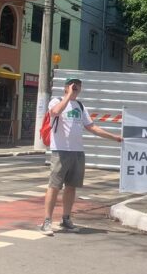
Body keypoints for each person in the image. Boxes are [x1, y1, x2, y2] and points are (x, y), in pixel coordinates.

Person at [40, 78, 122, 235]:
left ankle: (66, 218)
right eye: (73, 85)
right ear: (66, 87)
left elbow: (92, 127)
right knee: (55, 186)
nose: (76, 87)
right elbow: (55, 112)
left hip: (77, 152)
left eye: (78, 86)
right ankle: (47, 221)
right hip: (61, 151)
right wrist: (68, 94)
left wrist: (114, 137)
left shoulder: (80, 106)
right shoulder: (55, 101)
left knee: (71, 187)